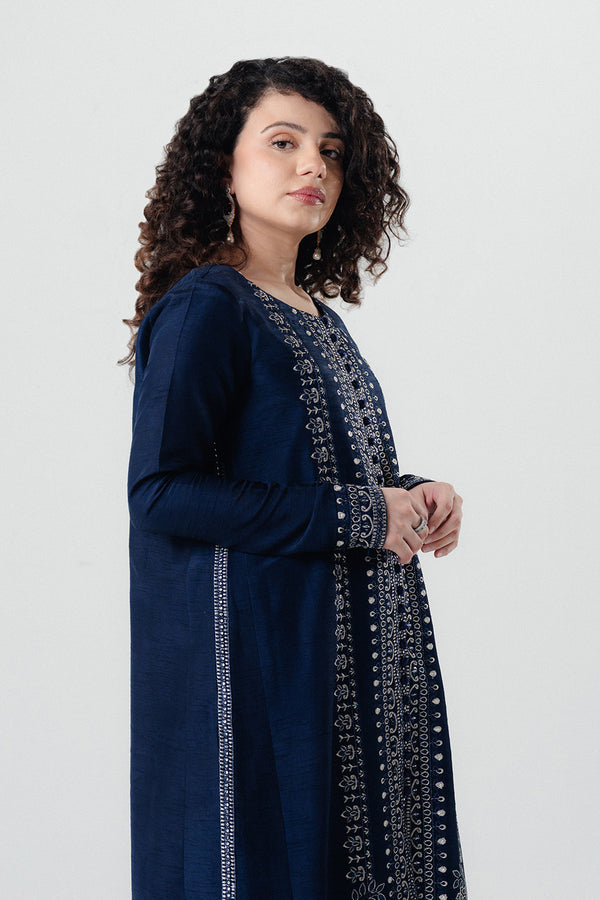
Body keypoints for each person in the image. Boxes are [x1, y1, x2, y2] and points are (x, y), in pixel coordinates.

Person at [120, 56, 467, 900]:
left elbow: (307, 465)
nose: (313, 164)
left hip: (351, 659)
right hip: (264, 668)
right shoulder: (207, 304)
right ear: (224, 165)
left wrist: (410, 493)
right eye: (283, 142)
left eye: (332, 151)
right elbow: (160, 490)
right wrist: (358, 515)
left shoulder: (316, 315)